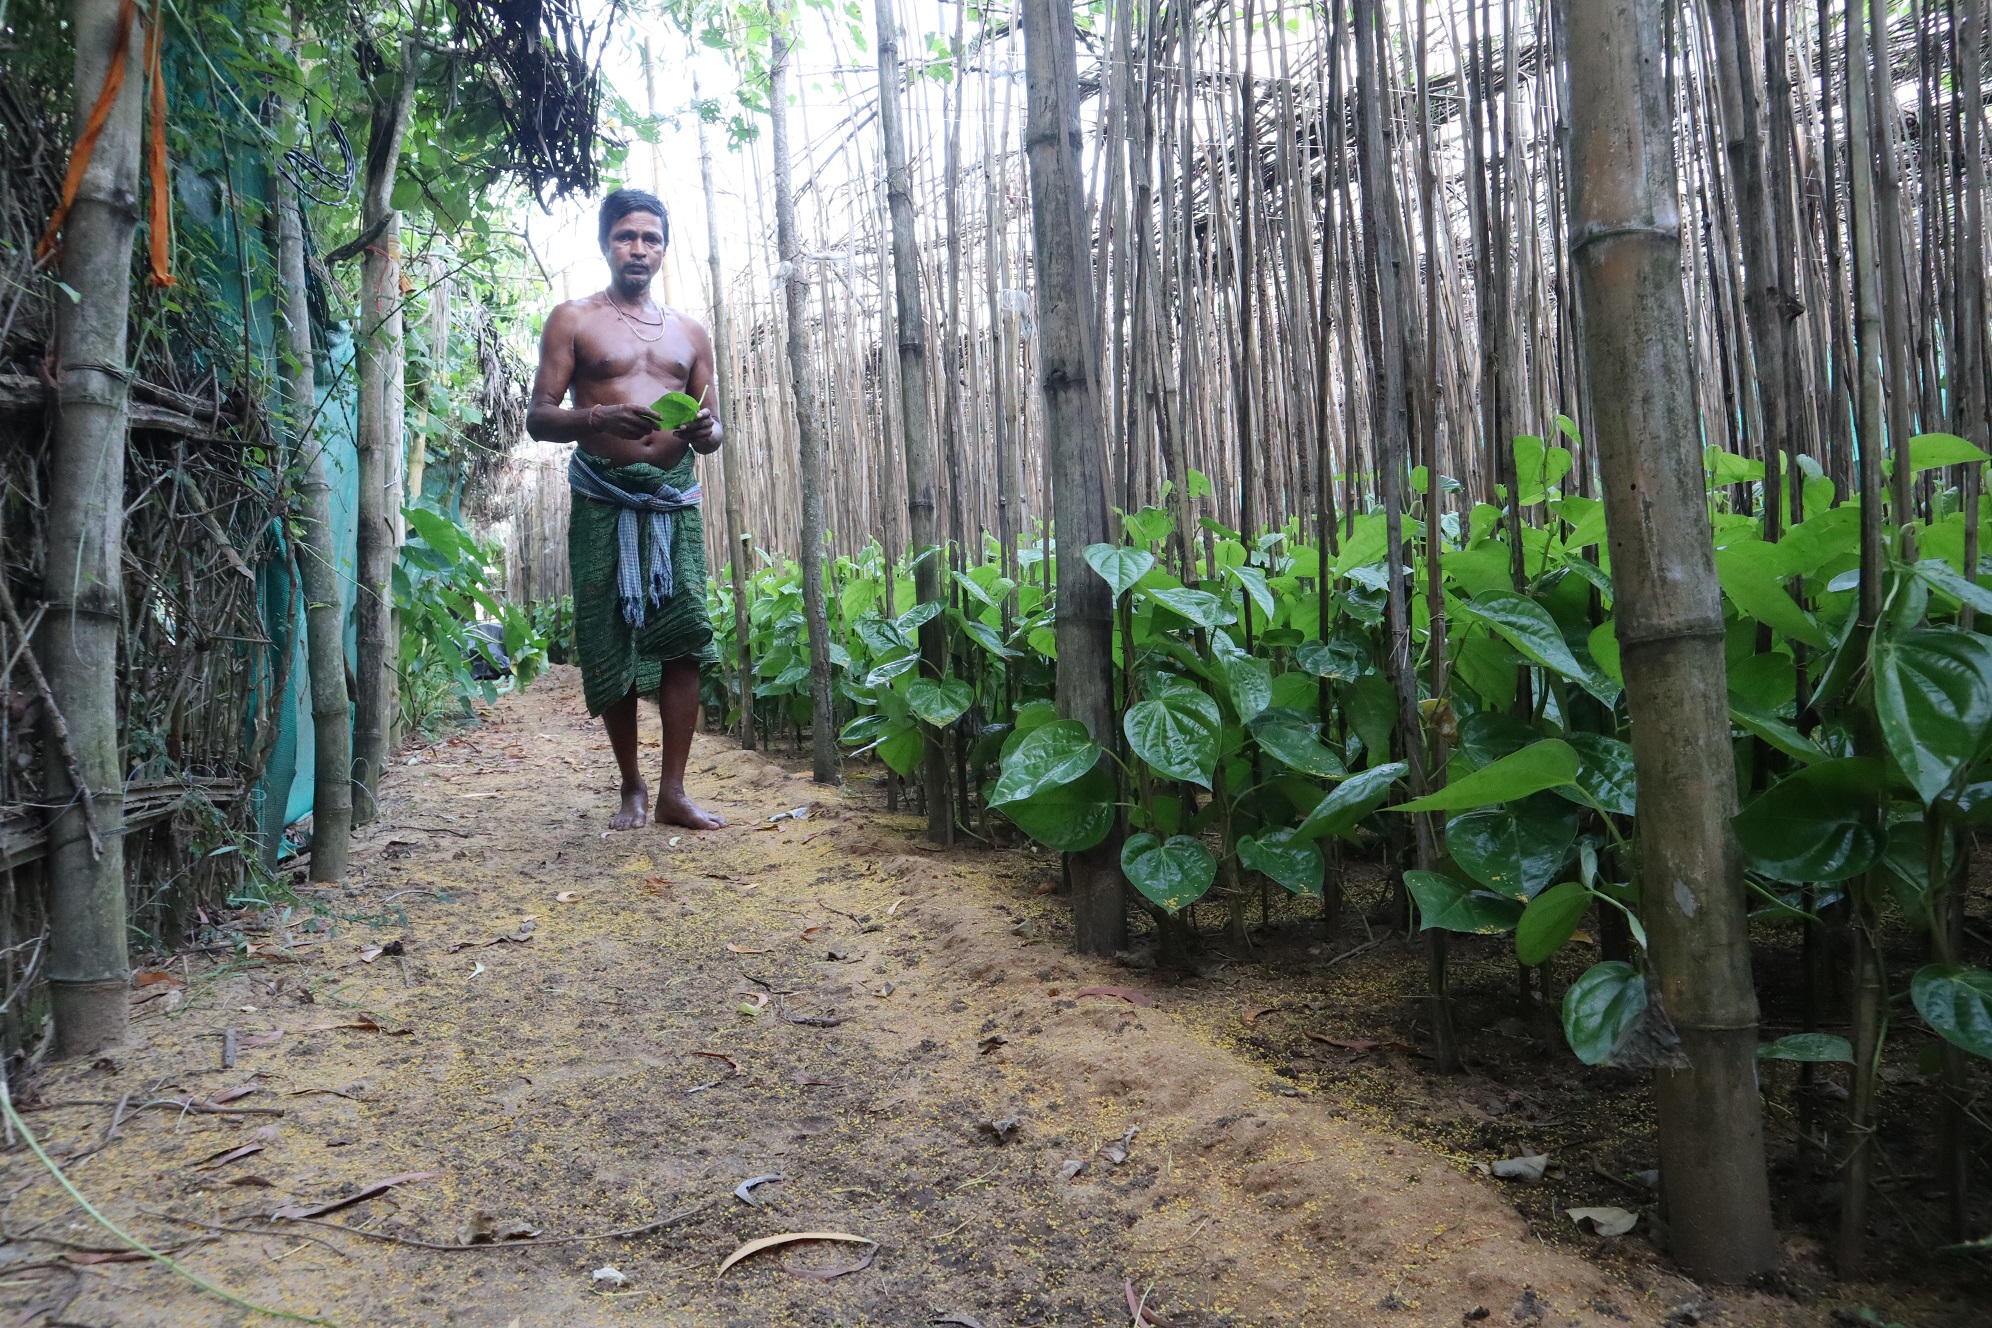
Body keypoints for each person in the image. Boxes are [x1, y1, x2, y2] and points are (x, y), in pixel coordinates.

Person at [526, 188, 726, 831]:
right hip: (602, 498)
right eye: (626, 236)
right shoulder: (573, 319)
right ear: (606, 243)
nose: (639, 248)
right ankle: (631, 787)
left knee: (685, 639)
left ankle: (674, 790)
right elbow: (538, 418)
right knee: (610, 637)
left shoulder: (690, 332)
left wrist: (706, 434)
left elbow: (714, 424)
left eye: (651, 238)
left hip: (672, 503)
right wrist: (597, 416)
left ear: (664, 249)